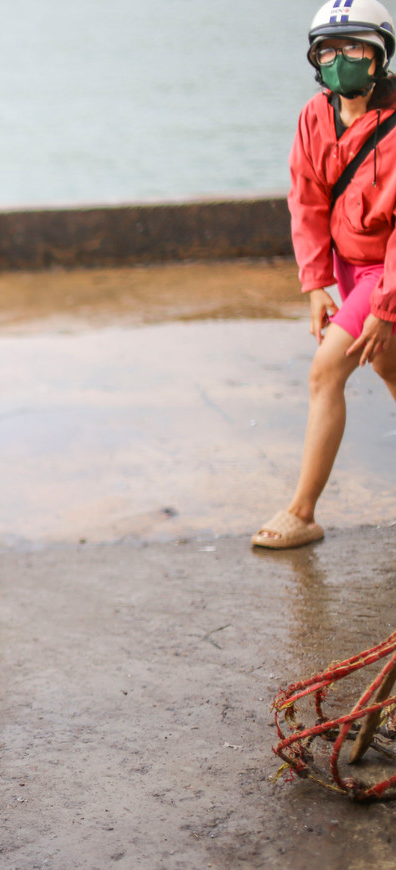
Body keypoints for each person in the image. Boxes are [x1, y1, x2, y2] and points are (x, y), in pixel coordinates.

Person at [253, 0, 396, 549]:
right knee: (394, 373)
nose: (342, 61)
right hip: (350, 269)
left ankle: (303, 510)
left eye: (356, 49)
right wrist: (315, 282)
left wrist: (384, 307)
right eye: (329, 51)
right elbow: (306, 199)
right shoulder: (315, 116)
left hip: (388, 273)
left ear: (380, 55)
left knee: (324, 372)